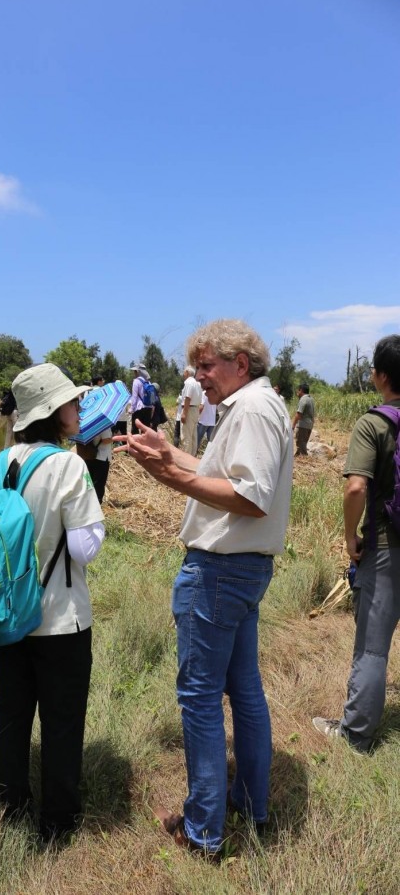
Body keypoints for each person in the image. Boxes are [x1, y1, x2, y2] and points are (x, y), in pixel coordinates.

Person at [115, 319, 293, 857]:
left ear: (241, 364)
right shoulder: (255, 405)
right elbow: (224, 473)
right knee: (243, 691)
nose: (199, 376)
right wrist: (171, 455)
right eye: (197, 366)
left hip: (218, 573)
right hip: (241, 571)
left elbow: (250, 494)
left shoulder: (255, 410)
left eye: (207, 366)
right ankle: (248, 803)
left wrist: (173, 479)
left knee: (199, 699)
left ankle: (203, 832)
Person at [0, 363, 105, 842]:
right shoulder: (69, 465)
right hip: (60, 619)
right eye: (72, 402)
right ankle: (58, 822)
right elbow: (83, 550)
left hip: (9, 616)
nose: (78, 409)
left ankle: (9, 804)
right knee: (61, 720)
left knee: (12, 709)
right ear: (55, 411)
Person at [313, 335, 400, 753]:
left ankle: (356, 735)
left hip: (386, 547)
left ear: (382, 376)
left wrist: (350, 537)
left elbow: (355, 488)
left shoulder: (374, 423)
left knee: (372, 647)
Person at [180, 365, 203, 455]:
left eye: (184, 371)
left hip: (189, 409)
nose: (183, 373)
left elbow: (187, 398)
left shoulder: (189, 383)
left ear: (187, 372)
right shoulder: (197, 383)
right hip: (195, 410)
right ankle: (193, 456)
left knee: (186, 436)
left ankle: (186, 456)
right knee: (193, 435)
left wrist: (184, 413)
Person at [292, 383, 315, 456]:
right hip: (309, 425)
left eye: (298, 391)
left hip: (303, 425)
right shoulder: (310, 399)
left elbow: (299, 414)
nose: (297, 393)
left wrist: (293, 426)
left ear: (301, 390)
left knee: (301, 445)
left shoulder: (303, 399)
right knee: (302, 444)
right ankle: (298, 456)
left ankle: (304, 459)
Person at [129, 363, 153, 434]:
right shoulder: (149, 382)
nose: (134, 373)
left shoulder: (136, 381)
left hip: (139, 409)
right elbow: (152, 398)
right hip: (148, 409)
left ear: (138, 372)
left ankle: (135, 445)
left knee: (135, 430)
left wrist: (132, 409)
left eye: (135, 371)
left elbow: (134, 396)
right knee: (145, 431)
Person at [196, 386, 216, 450]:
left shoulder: (204, 393)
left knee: (197, 440)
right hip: (212, 421)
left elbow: (201, 407)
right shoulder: (215, 393)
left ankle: (194, 456)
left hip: (203, 421)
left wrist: (196, 416)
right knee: (210, 442)